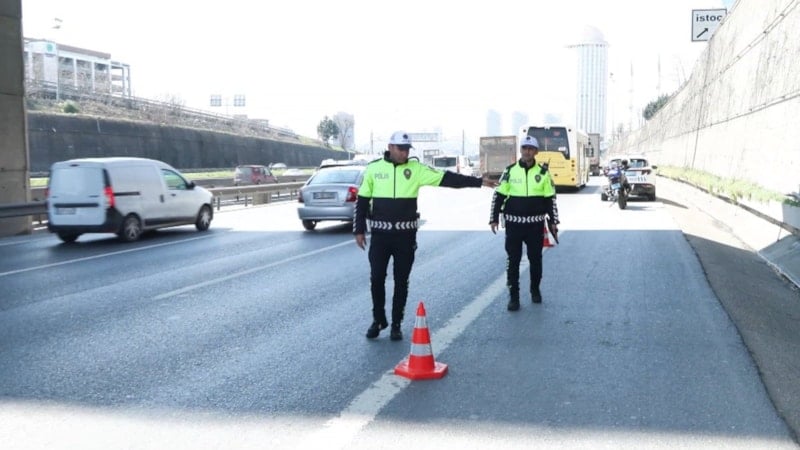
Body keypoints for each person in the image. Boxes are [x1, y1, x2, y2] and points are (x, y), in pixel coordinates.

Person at [354, 131, 485, 340]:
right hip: (380, 237)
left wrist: (478, 182)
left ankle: (396, 323)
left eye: (407, 149)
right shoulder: (374, 168)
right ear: (390, 147)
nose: (405, 153)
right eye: (401, 149)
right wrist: (359, 230)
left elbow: (446, 178)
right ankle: (378, 319)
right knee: (377, 278)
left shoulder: (416, 169)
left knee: (401, 281)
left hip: (405, 237)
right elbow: (361, 202)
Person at [488, 135, 559, 311]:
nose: (527, 152)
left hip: (535, 226)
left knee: (536, 260)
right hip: (514, 225)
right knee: (513, 261)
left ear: (536, 152)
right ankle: (514, 297)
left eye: (530, 149)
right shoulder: (510, 171)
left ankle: (535, 289)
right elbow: (498, 195)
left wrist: (554, 221)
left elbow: (550, 199)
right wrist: (493, 218)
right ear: (521, 150)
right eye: (524, 148)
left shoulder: (543, 173)